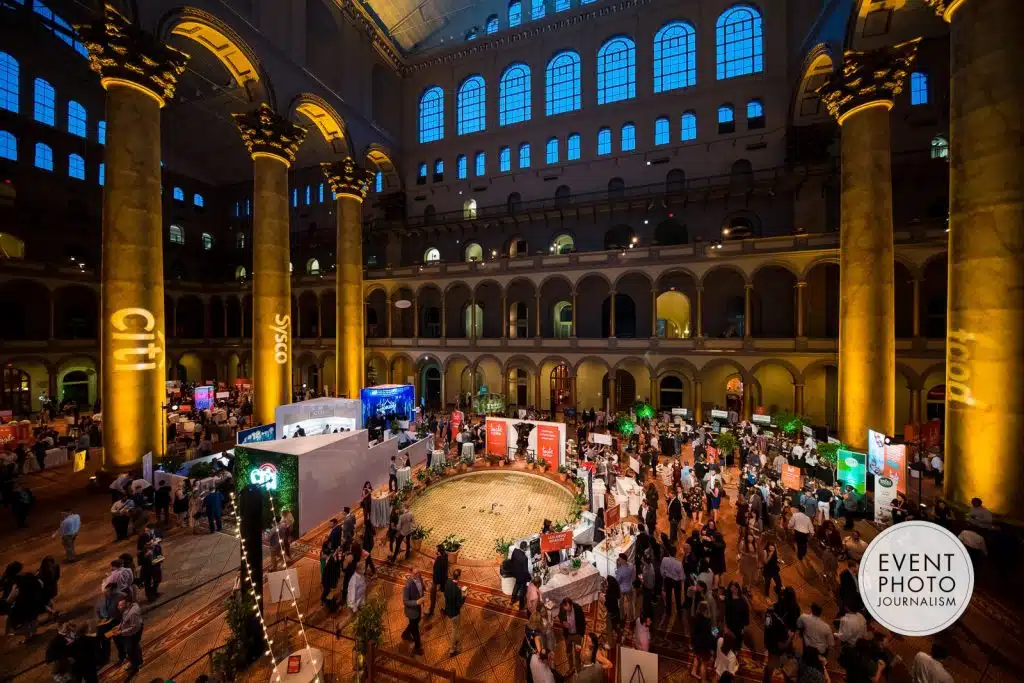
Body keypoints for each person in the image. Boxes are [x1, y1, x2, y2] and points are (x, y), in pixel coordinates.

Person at [114, 591, 143, 675]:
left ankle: (135, 666)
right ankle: (138, 661)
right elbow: (124, 619)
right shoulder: (127, 608)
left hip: (133, 633)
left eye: (121, 605)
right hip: (127, 632)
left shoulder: (133, 612)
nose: (119, 607)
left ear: (128, 603)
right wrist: (119, 626)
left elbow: (134, 627)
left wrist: (121, 632)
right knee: (133, 647)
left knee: (131, 650)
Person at [558, 597, 586, 674]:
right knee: (568, 652)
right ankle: (571, 667)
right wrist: (563, 623)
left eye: (569, 609)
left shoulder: (577, 608)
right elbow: (560, 616)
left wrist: (581, 635)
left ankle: (578, 668)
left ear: (571, 604)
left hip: (577, 635)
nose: (567, 611)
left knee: (577, 653)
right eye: (565, 609)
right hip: (568, 635)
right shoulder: (562, 608)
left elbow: (583, 622)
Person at [401, 568, 425, 656]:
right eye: (415, 573)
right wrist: (416, 602)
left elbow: (421, 586)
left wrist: (424, 589)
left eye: (418, 572)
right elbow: (405, 601)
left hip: (418, 608)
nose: (417, 575)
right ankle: (417, 648)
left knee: (415, 623)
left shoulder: (420, 578)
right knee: (415, 630)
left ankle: (405, 633)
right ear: (410, 573)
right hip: (412, 611)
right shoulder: (408, 586)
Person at [444, 568, 467, 656]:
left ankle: (455, 641)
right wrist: (464, 596)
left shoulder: (448, 582)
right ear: (459, 576)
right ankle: (452, 649)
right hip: (454, 613)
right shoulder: (457, 591)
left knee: (455, 628)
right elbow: (459, 604)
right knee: (454, 629)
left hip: (448, 609)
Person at [426, 544, 449, 617]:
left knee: (432, 595)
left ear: (439, 552)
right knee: (446, 594)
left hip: (437, 579)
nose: (435, 551)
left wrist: (434, 563)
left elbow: (436, 571)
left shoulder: (438, 561)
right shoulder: (445, 555)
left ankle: (431, 611)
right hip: (444, 578)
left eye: (436, 550)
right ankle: (447, 609)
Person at [510, 541, 531, 610]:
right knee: (522, 592)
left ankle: (512, 600)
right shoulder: (525, 558)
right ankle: (521, 606)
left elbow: (512, 560)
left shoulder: (515, 551)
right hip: (522, 577)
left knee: (516, 586)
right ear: (524, 548)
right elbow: (525, 571)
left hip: (516, 573)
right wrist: (529, 577)